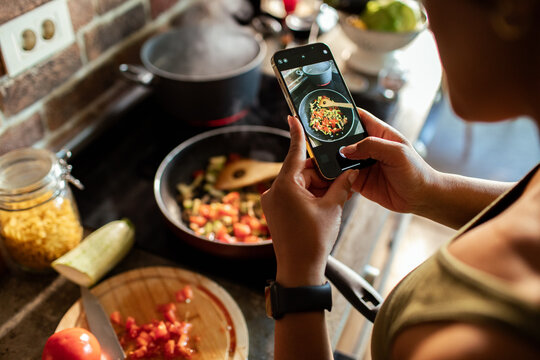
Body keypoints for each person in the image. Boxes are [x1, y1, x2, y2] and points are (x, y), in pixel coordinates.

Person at [260, 0, 540, 359]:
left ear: (514, 8)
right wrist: (429, 192)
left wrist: (299, 275)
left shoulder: (480, 341)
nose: (426, 16)